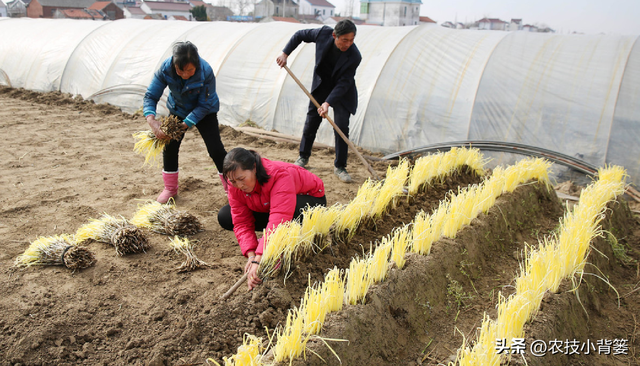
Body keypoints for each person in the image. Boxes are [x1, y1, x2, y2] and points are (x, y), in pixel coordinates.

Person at [218, 148, 326, 289]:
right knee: (226, 216)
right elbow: (241, 221)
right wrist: (251, 255)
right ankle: (269, 241)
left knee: (285, 218)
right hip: (268, 204)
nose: (239, 185)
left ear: (254, 168)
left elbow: (279, 218)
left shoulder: (279, 175)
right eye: (233, 181)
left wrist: (259, 259)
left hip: (308, 201)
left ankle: (289, 236)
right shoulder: (235, 185)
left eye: (241, 179)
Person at [276, 19, 362, 183]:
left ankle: (340, 166)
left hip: (342, 93)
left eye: (351, 40)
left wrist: (328, 103)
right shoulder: (323, 34)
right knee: (312, 121)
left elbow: (344, 82)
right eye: (345, 40)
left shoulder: (354, 56)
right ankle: (303, 157)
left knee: (341, 127)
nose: (348, 44)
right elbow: (300, 35)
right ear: (334, 35)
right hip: (322, 86)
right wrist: (285, 53)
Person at [143, 41, 228, 203]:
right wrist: (151, 120)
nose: (184, 74)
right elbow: (151, 95)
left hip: (205, 111)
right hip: (178, 109)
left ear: (196, 65)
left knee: (216, 149)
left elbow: (204, 104)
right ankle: (170, 189)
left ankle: (232, 189)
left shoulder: (206, 71)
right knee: (169, 146)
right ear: (174, 65)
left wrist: (186, 124)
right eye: (179, 70)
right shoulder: (165, 68)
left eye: (189, 70)